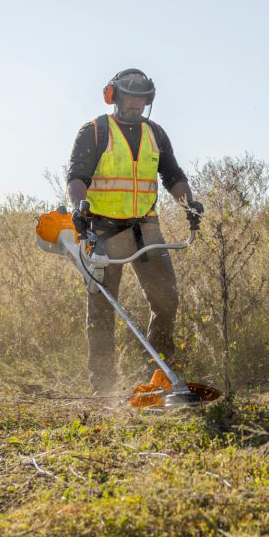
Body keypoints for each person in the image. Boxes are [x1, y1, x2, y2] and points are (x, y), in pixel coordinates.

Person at [65, 68, 203, 396]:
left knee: (167, 301)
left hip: (146, 227)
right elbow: (76, 177)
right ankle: (104, 388)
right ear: (113, 96)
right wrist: (79, 209)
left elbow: (172, 175)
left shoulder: (156, 134)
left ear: (148, 101)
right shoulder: (95, 131)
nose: (134, 105)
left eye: (140, 100)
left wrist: (190, 204)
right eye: (128, 98)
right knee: (102, 310)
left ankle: (156, 376)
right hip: (102, 229)